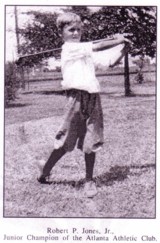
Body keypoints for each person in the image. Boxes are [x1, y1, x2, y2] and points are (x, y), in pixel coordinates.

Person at [37, 12, 129, 198]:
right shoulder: (69, 48)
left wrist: (123, 50)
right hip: (75, 100)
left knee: (91, 140)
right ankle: (45, 170)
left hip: (93, 98)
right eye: (71, 29)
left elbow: (108, 63)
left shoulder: (84, 52)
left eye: (79, 30)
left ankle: (89, 180)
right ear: (61, 33)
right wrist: (118, 39)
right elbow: (99, 46)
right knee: (65, 143)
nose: (75, 33)